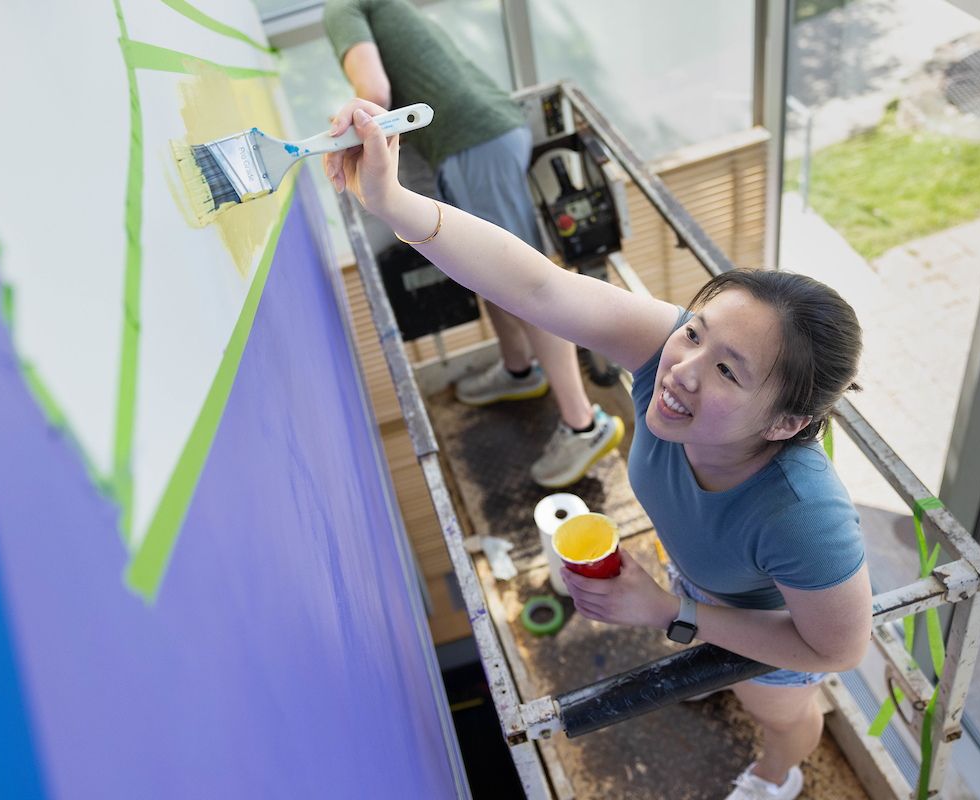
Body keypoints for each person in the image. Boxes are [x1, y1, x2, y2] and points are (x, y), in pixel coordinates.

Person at [322, 100, 874, 800]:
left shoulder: (803, 516)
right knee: (712, 648)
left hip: (781, 627)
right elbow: (536, 285)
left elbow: (837, 647)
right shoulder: (667, 353)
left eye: (729, 370)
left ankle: (777, 774)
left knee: (778, 710)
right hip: (705, 587)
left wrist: (670, 613)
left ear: (786, 424)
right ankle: (712, 653)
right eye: (697, 331)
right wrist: (393, 202)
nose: (681, 369)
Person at [323, 0, 622, 488]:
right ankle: (519, 368)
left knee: (528, 285)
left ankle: (582, 424)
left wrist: (347, 132)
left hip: (471, 141)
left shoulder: (342, 8)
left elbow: (374, 93)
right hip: (487, 129)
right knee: (486, 270)